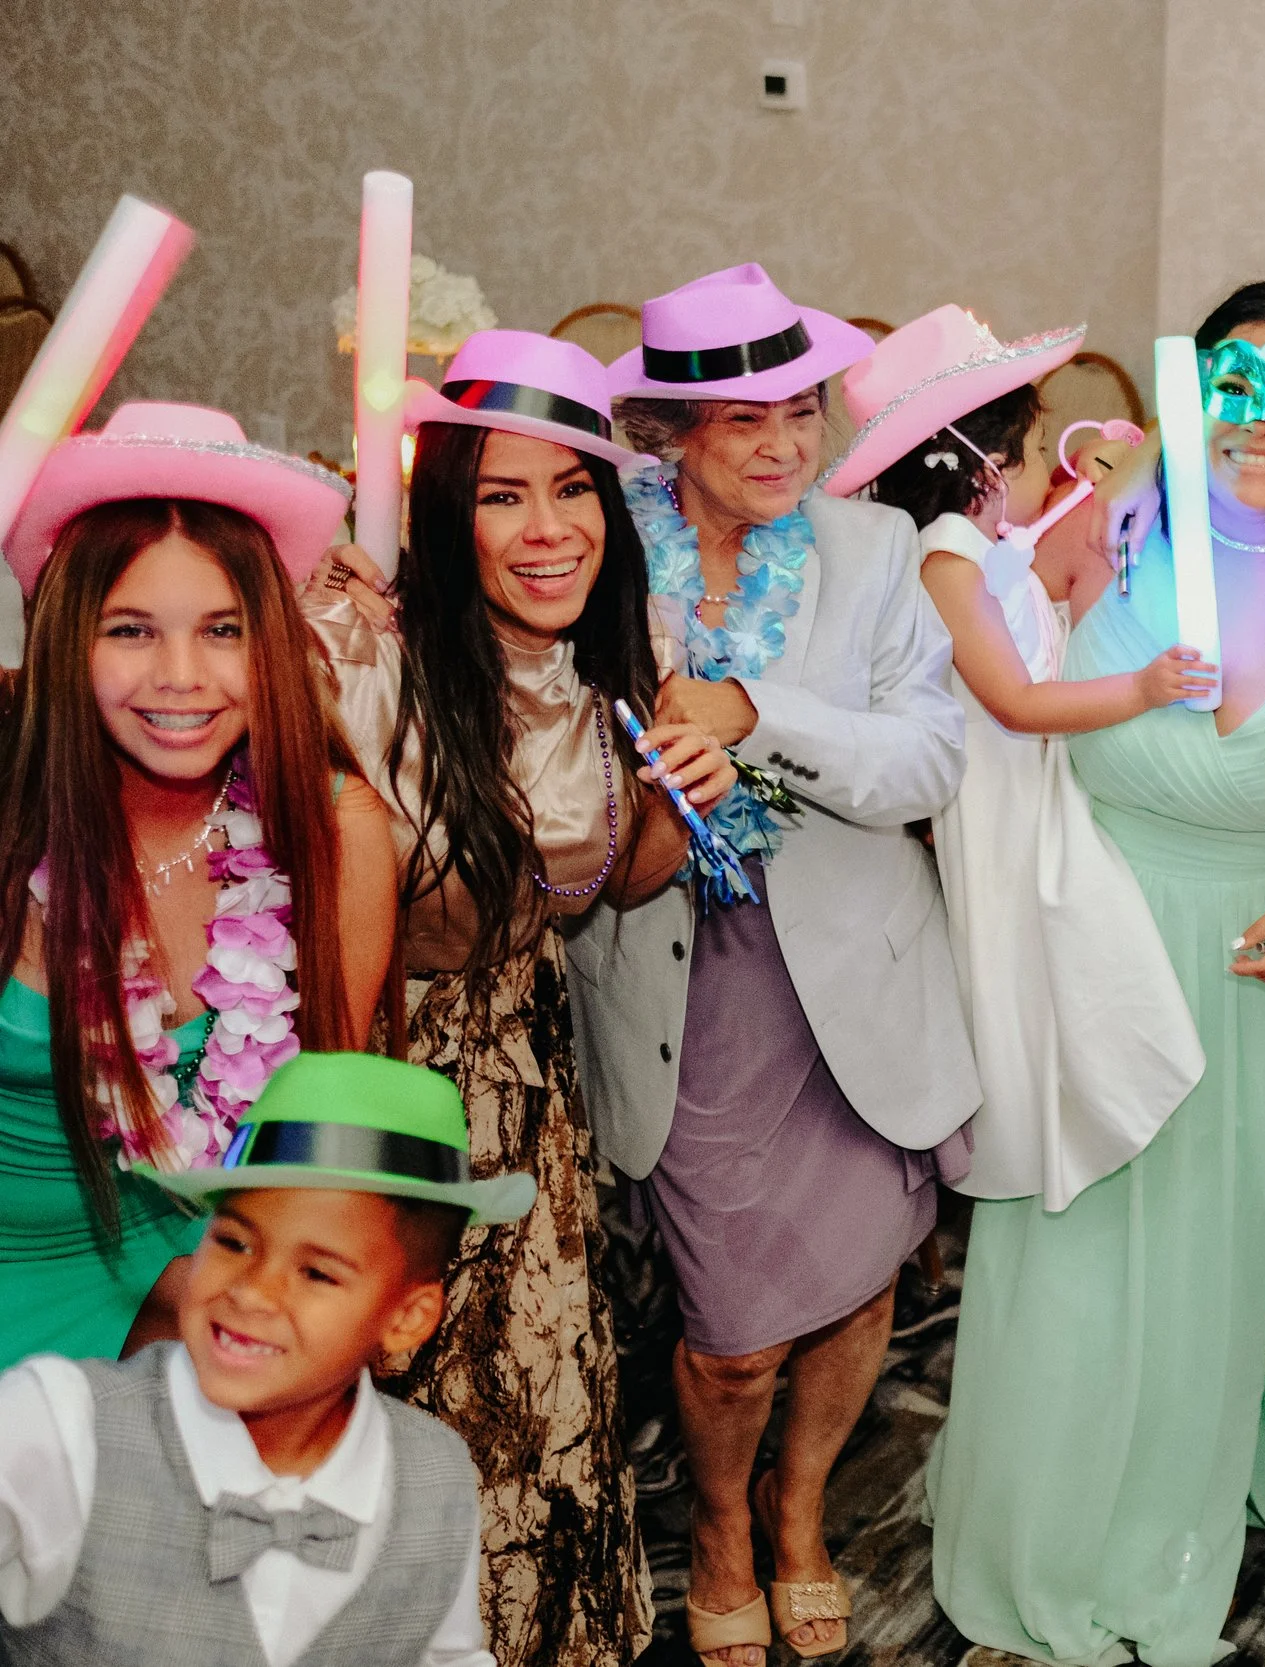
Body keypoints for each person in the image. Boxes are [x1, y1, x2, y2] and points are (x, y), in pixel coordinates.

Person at [927, 280, 1265, 1666]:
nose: (1264, 421)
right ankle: (1078, 1529)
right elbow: (953, 618)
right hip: (1115, 953)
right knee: (1103, 1262)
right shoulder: (1106, 531)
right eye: (1233, 387)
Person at [574, 262, 978, 1666]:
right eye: (743, 420)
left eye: (800, 411)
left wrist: (757, 712)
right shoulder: (598, 550)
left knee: (861, 1281)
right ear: (669, 433)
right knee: (736, 1330)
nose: (783, 444)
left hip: (858, 970)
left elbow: (928, 758)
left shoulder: (877, 547)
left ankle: (795, 1509)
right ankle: (719, 1518)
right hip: (683, 976)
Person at [303, 330, 712, 1667]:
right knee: (385, 1423)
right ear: (444, 509)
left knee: (533, 1422)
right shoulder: (364, 653)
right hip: (379, 1077)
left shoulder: (623, 655)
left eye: (572, 488)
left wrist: (694, 774)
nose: (548, 528)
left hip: (528, 1080)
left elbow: (614, 880)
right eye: (501, 493)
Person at [0, 402, 396, 1373]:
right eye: (131, 629)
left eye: (223, 629)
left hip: (206, 1279)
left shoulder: (333, 829)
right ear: (66, 638)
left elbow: (317, 1131)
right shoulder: (13, 816)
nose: (182, 676)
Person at [829, 303, 1210, 1211]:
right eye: (1039, 452)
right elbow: (1017, 702)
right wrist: (1142, 688)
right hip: (1002, 802)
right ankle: (1042, 1130)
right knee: (1032, 964)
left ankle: (1080, 1108)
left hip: (1034, 788)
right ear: (985, 470)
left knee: (1070, 963)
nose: (1055, 469)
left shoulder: (987, 553)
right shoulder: (945, 568)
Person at [0, 1051, 534, 1667]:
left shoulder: (433, 1477)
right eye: (233, 1242)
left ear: (406, 1318)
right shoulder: (62, 1427)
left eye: (316, 1273)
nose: (252, 1292)